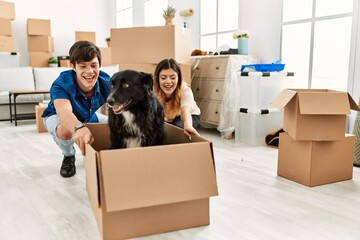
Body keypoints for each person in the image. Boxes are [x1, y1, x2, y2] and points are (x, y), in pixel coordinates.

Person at [42, 41, 111, 178]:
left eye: (93, 65)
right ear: (73, 66)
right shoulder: (62, 84)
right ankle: (69, 155)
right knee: (66, 131)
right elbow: (64, 113)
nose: (90, 71)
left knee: (115, 125)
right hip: (56, 117)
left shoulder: (107, 82)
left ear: (100, 65)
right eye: (83, 66)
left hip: (88, 116)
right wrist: (79, 127)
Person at [153, 58, 201, 138]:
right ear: (157, 79)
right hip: (167, 117)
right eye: (163, 78)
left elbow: (185, 111)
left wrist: (187, 125)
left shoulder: (185, 90)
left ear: (178, 78)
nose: (168, 82)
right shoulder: (152, 90)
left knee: (176, 129)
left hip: (188, 115)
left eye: (173, 77)